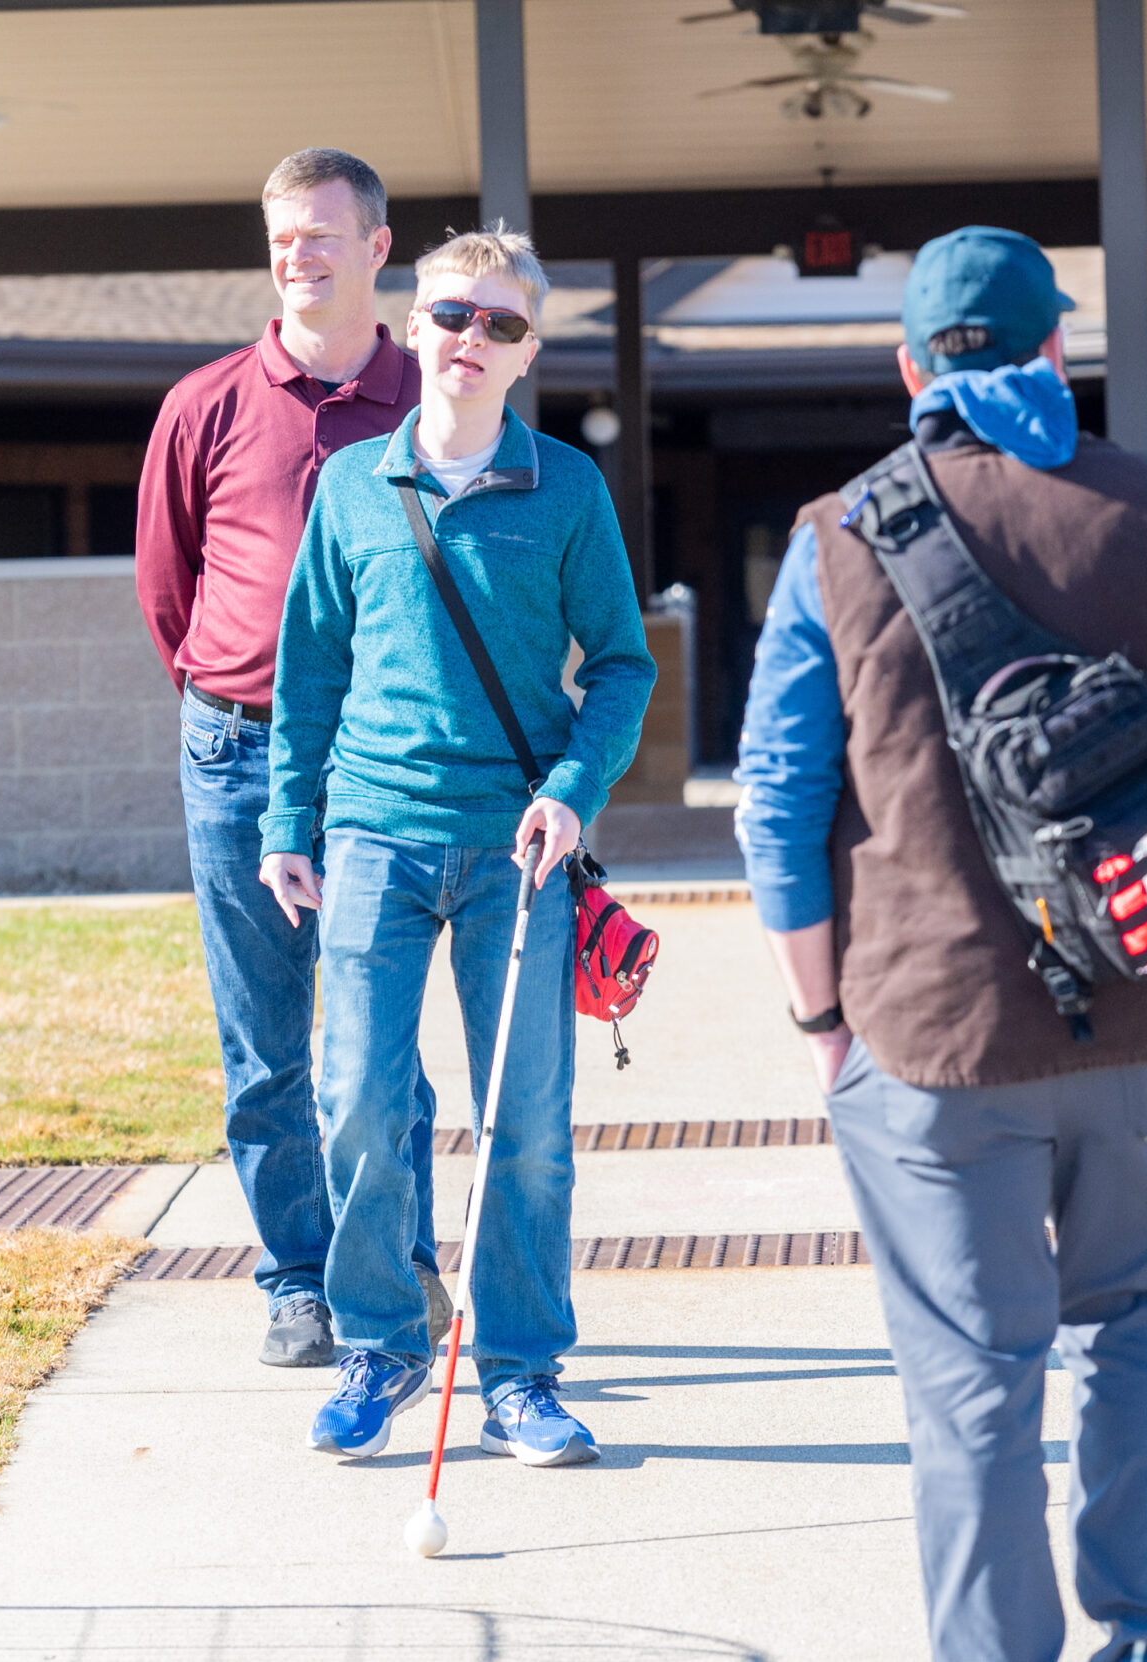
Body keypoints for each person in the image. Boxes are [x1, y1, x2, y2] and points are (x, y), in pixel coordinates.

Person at [735, 226, 1147, 1662]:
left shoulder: (835, 540)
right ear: (1057, 346)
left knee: (973, 1381)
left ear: (911, 363)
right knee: (1145, 1327)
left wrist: (824, 1028)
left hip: (931, 1041)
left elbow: (777, 812)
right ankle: (1141, 1627)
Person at [258, 226, 656, 1463]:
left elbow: (626, 668)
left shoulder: (568, 491)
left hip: (518, 852)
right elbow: (308, 670)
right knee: (359, 1105)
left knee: (525, 1124)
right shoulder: (350, 488)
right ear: (411, 325)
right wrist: (287, 821)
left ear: (530, 350)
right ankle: (379, 1348)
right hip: (372, 834)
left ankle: (524, 1375)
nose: (470, 340)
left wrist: (575, 791)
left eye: (500, 324)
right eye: (450, 316)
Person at [135, 147, 449, 1369]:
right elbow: (170, 594)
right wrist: (241, 703)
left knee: (378, 1044)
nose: (298, 255)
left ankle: (402, 1260)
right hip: (237, 751)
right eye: (281, 236)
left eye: (322, 233)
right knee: (265, 1043)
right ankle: (298, 1281)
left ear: (380, 247)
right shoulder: (204, 404)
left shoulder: (439, 395)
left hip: (390, 760)